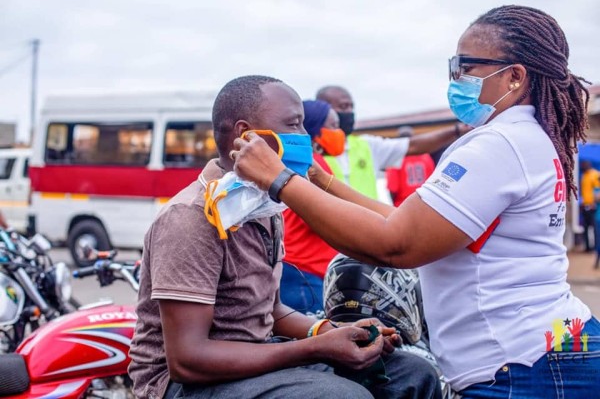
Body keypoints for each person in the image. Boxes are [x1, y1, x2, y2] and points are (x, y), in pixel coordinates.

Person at [232, 5, 599, 398]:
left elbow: (396, 244)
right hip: (548, 346)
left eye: (465, 66)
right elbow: (410, 222)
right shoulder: (524, 136)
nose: (456, 78)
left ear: (514, 76)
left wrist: (280, 180)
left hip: (523, 365)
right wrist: (323, 182)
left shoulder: (499, 145)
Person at [128, 75, 442, 399]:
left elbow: (271, 310)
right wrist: (316, 348)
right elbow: (188, 360)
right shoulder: (191, 217)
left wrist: (330, 330)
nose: (305, 137)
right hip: (183, 385)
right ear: (246, 135)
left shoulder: (261, 205)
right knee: (344, 396)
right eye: (293, 125)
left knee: (412, 374)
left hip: (257, 356)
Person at [316, 85, 468, 200]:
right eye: (343, 107)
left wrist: (456, 130)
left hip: (368, 227)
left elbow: (412, 146)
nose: (349, 112)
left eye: (351, 107)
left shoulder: (366, 145)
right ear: (324, 110)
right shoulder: (312, 151)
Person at [280, 100, 341, 313]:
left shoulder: (298, 160)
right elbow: (325, 215)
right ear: (317, 128)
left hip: (296, 265)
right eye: (333, 126)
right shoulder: (313, 164)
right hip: (307, 271)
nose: (339, 132)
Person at [385, 127, 435, 206]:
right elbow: (433, 182)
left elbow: (393, 188)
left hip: (403, 205)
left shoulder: (396, 159)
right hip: (425, 204)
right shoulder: (426, 157)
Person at [580, 160, 599, 251]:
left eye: (584, 165)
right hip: (585, 205)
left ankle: (595, 247)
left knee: (595, 227)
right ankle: (588, 247)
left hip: (593, 206)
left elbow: (597, 190)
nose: (582, 167)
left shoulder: (595, 174)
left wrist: (594, 203)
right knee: (586, 227)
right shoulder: (584, 176)